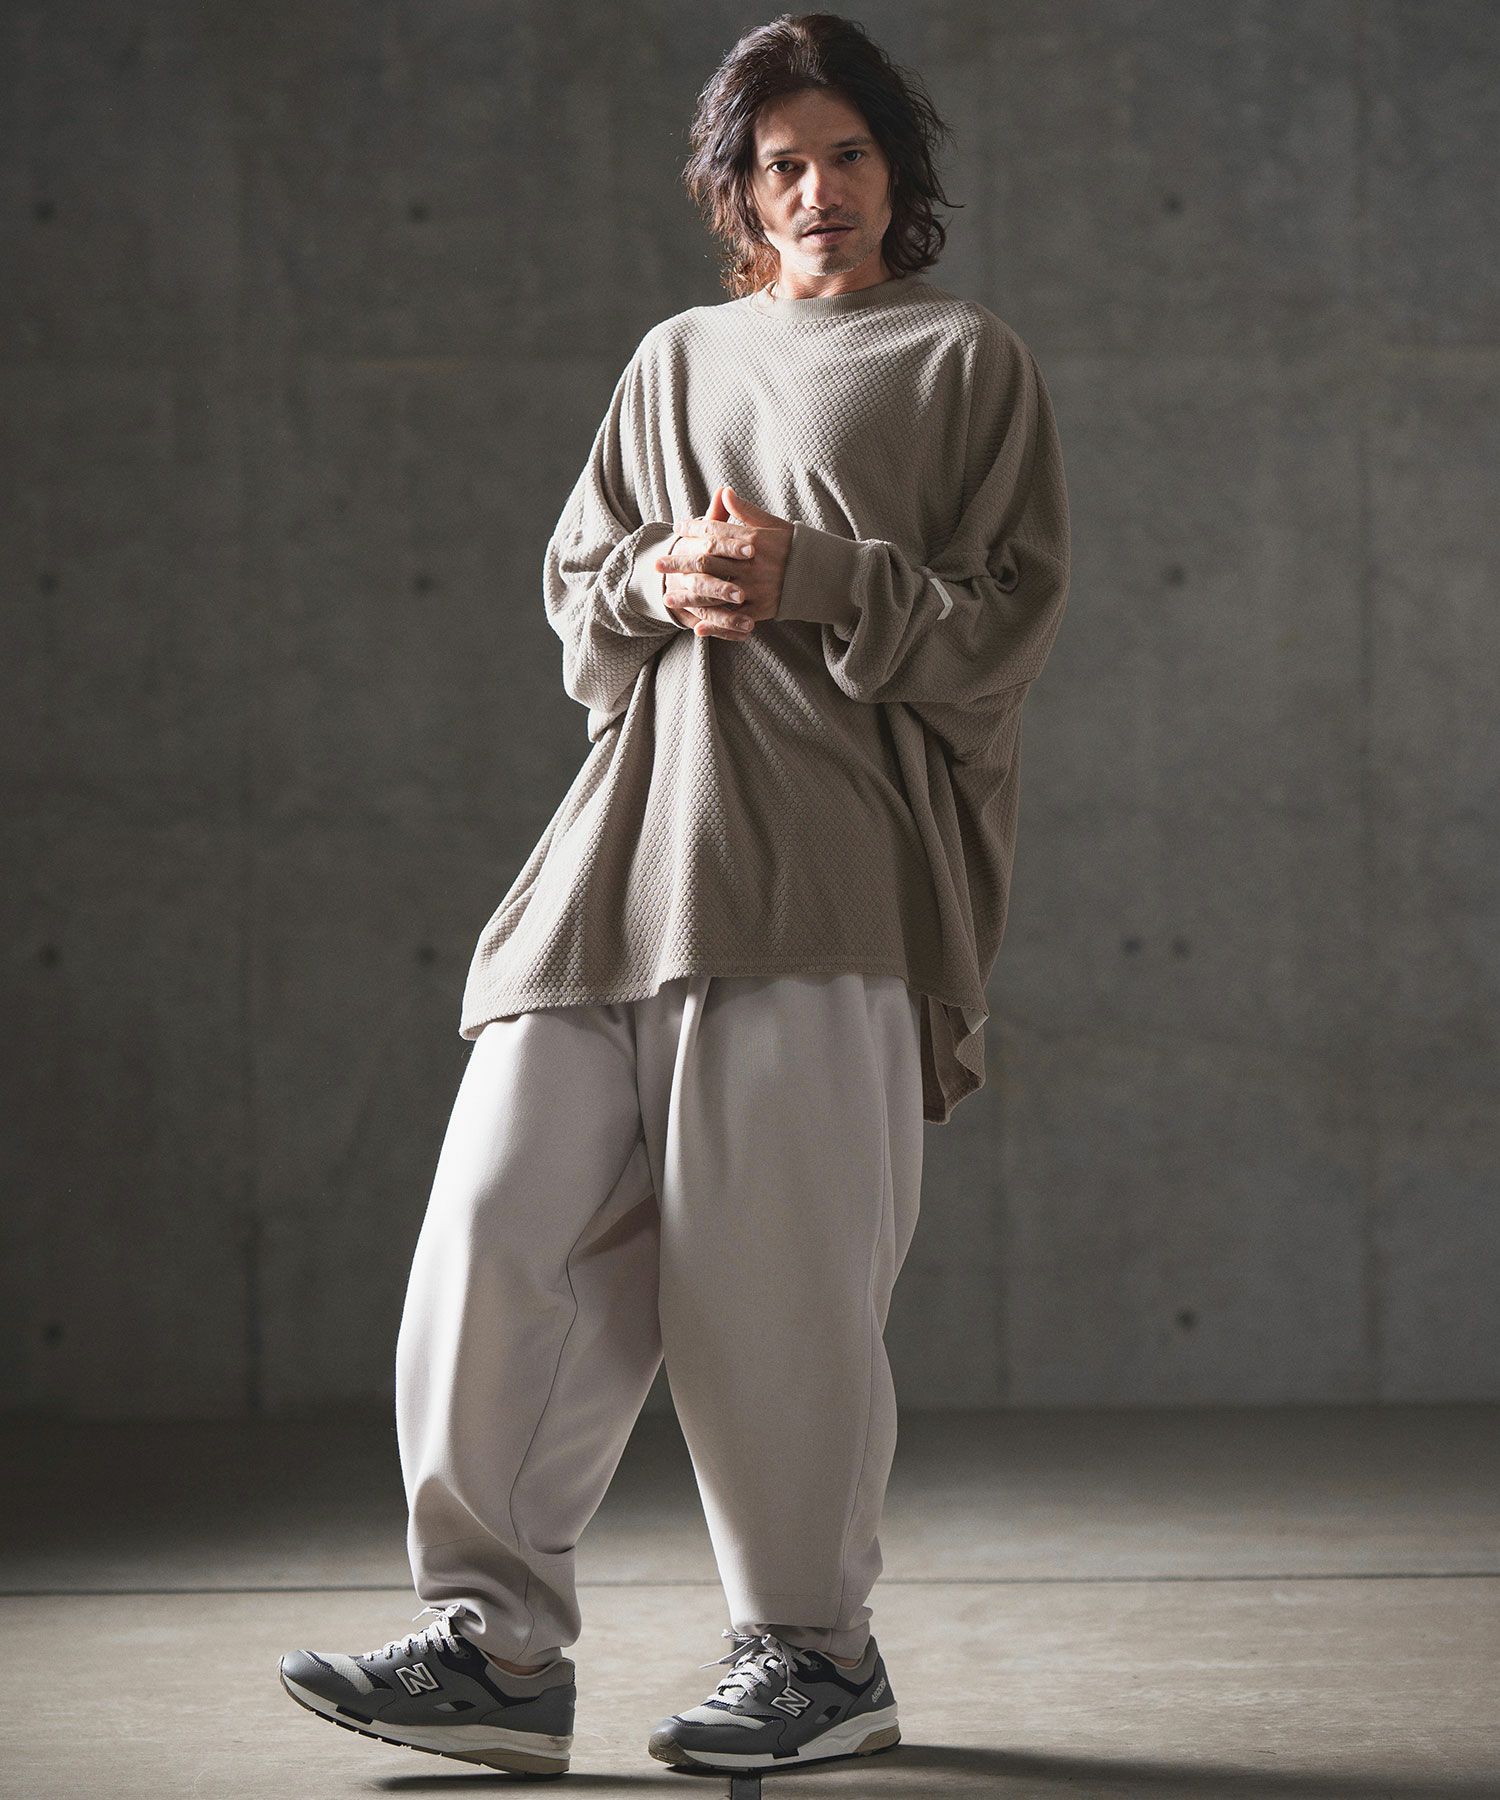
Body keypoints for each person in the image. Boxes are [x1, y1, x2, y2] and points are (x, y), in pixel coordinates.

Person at [277, 12, 1069, 1778]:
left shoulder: (962, 359)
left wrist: (815, 575)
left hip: (827, 875)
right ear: (738, 189)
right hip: (624, 861)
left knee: (769, 1293)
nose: (819, 190)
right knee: (496, 1234)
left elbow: (1002, 629)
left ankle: (816, 1655)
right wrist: (663, 576)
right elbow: (583, 593)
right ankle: (494, 1648)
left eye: (848, 154)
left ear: (899, 174)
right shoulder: (676, 356)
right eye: (782, 163)